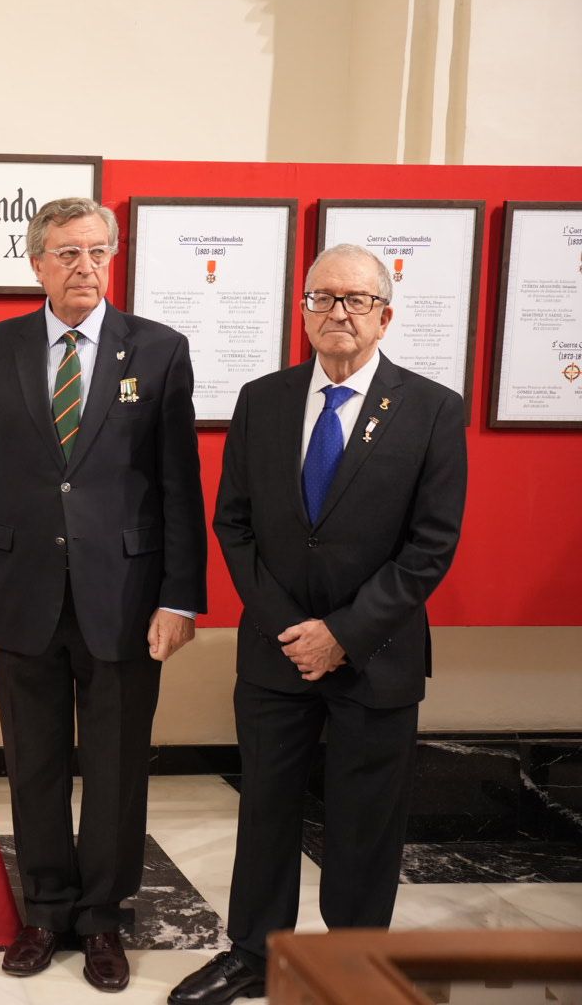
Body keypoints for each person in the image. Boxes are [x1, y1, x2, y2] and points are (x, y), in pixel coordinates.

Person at [169, 244, 467, 1005]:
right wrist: (289, 627)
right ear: (301, 312)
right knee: (264, 804)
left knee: (366, 820)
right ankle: (252, 955)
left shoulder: (432, 409)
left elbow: (431, 545)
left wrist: (343, 633)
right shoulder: (262, 400)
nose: (339, 312)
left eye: (356, 300)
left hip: (378, 653)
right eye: (323, 298)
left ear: (385, 316)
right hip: (277, 654)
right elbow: (232, 524)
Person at [0, 196, 206, 993]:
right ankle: (46, 910)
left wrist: (181, 597)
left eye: (97, 251)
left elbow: (178, 487)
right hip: (20, 587)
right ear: (37, 263)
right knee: (33, 763)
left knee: (118, 766)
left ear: (112, 258)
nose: (84, 265)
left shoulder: (158, 351)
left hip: (124, 595)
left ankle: (102, 919)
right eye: (67, 253)